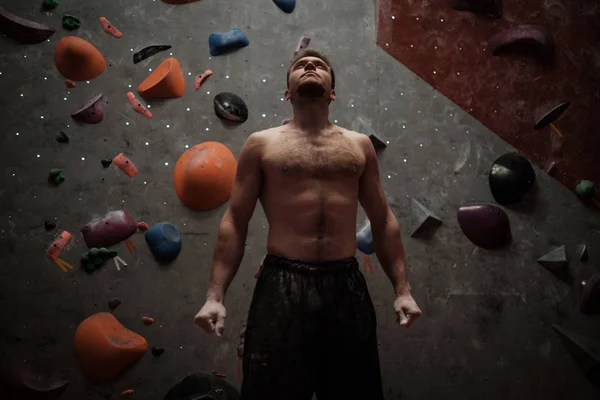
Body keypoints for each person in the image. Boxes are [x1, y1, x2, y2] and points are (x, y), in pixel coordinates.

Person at [194, 48, 422, 399]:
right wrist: (215, 297)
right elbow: (235, 221)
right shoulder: (261, 144)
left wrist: (403, 291)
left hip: (344, 283)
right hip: (281, 283)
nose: (310, 67)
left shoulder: (359, 146)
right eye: (301, 66)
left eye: (319, 66)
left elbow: (383, 220)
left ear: (333, 91)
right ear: (287, 92)